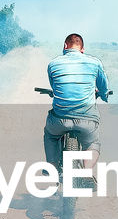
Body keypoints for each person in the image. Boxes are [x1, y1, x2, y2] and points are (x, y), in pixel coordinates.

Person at [43, 33, 110, 174]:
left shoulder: (53, 64)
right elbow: (103, 87)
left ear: (65, 46)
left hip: (59, 120)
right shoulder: (95, 62)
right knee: (92, 144)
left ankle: (52, 167)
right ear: (82, 49)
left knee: (50, 136)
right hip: (87, 120)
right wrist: (103, 95)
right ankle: (86, 172)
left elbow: (55, 87)